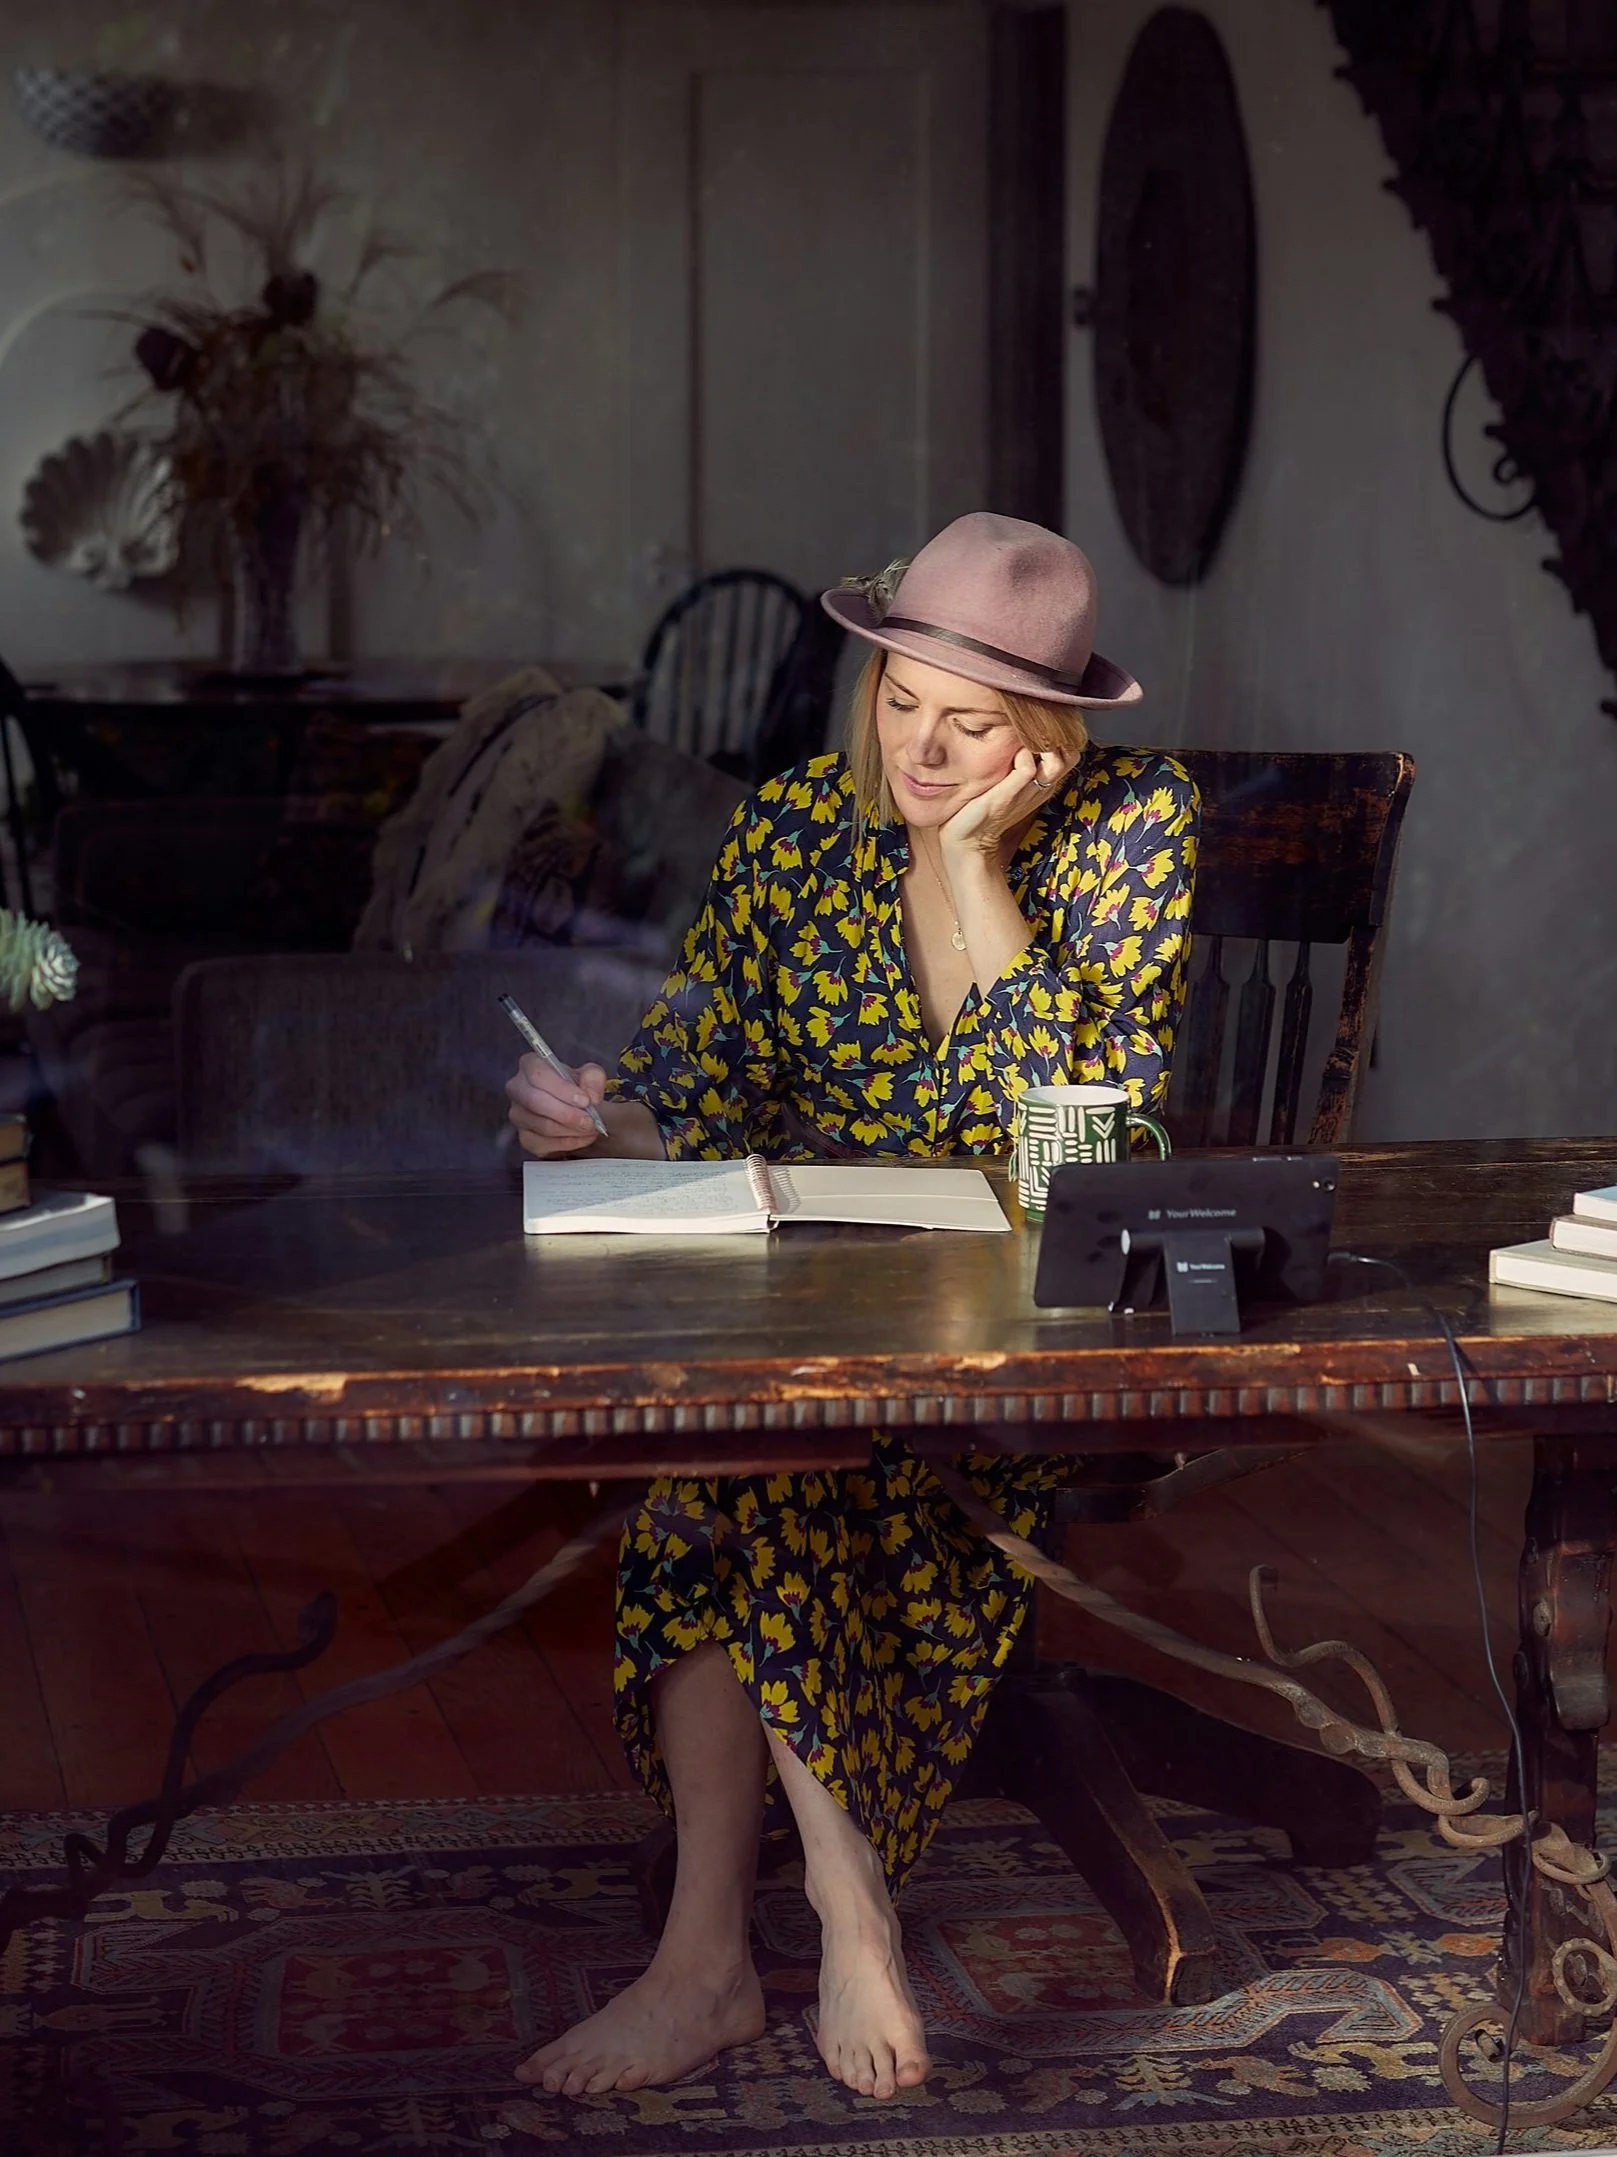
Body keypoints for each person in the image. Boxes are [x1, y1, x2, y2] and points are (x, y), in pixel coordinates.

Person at [506, 513, 1199, 2105]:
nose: (923, 752)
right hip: (814, 1299)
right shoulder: (803, 825)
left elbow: (1063, 1150)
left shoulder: (1134, 826)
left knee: (766, 1456)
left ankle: (740, 1945)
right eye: (900, 705)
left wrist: (962, 875)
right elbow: (700, 1075)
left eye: (972, 727)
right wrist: (601, 1117)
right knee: (741, 1445)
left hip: (1038, 1331)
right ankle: (796, 1919)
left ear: (1048, 731)